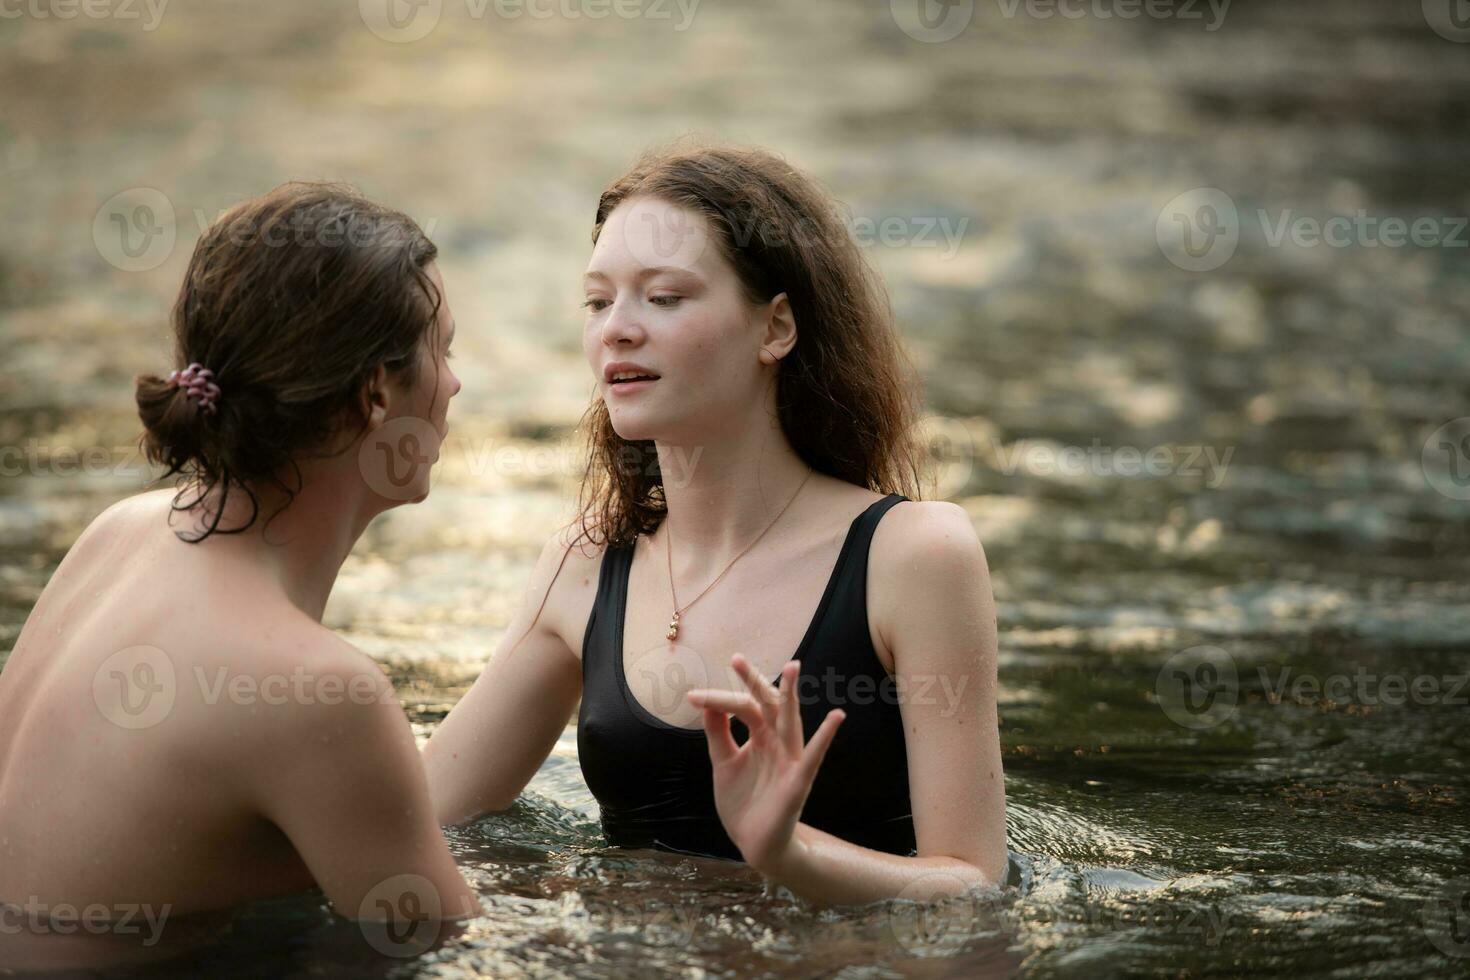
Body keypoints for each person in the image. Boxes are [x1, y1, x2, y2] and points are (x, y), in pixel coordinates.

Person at [426, 143, 1007, 907]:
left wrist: (788, 852)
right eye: (598, 302)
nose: (617, 331)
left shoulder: (915, 555)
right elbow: (427, 814)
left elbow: (974, 889)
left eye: (663, 298)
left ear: (776, 329)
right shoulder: (586, 560)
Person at [0, 183, 478, 967]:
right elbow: (458, 954)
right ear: (376, 393)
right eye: (444, 350)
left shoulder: (117, 534)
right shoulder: (323, 692)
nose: (454, 384)